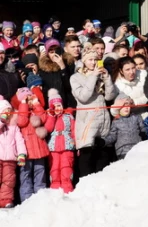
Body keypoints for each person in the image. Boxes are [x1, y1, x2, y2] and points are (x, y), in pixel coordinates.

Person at [70, 49, 118, 178]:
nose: (93, 62)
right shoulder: (75, 77)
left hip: (103, 121)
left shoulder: (101, 75)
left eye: (95, 60)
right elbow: (83, 97)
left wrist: (107, 77)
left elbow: (109, 96)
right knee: (87, 161)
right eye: (90, 60)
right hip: (87, 123)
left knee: (102, 162)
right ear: (84, 61)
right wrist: (93, 76)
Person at [14, 87, 49, 201]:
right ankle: (26, 198)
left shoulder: (36, 110)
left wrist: (36, 103)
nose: (28, 101)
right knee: (25, 174)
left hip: (39, 148)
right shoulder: (20, 112)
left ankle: (40, 196)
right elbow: (21, 122)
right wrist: (23, 104)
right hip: (26, 150)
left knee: (40, 172)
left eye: (30, 98)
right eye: (26, 99)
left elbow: (43, 118)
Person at [44, 89, 76, 192]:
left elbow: (73, 130)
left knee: (66, 168)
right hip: (53, 147)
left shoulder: (68, 116)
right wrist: (51, 116)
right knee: (54, 169)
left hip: (67, 146)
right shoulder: (50, 117)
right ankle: (55, 189)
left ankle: (67, 189)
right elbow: (48, 128)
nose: (57, 108)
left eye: (59, 105)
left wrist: (75, 142)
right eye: (54, 106)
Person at [0, 99, 26, 208]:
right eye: (5, 112)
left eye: (9, 112)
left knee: (9, 181)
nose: (7, 115)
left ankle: (5, 200)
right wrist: (2, 120)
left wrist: (22, 154)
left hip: (10, 159)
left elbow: (20, 141)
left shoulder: (14, 128)